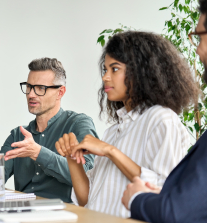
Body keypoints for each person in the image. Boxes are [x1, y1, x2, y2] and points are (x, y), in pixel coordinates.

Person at [55, 31, 199, 217]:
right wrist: (72, 158)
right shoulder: (113, 131)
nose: (105, 77)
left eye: (114, 69)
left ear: (141, 71)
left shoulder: (161, 119)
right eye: (105, 70)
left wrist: (110, 151)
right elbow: (87, 199)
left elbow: (163, 191)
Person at [0, 58, 97, 202]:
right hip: (23, 213)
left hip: (63, 214)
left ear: (60, 92)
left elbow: (87, 175)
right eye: (29, 87)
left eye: (40, 88)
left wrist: (38, 153)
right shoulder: (18, 134)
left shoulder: (78, 124)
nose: (31, 94)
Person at [121, 1, 207, 222]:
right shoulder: (115, 129)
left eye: (200, 36)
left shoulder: (162, 119)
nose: (197, 50)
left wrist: (137, 197)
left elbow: (176, 212)